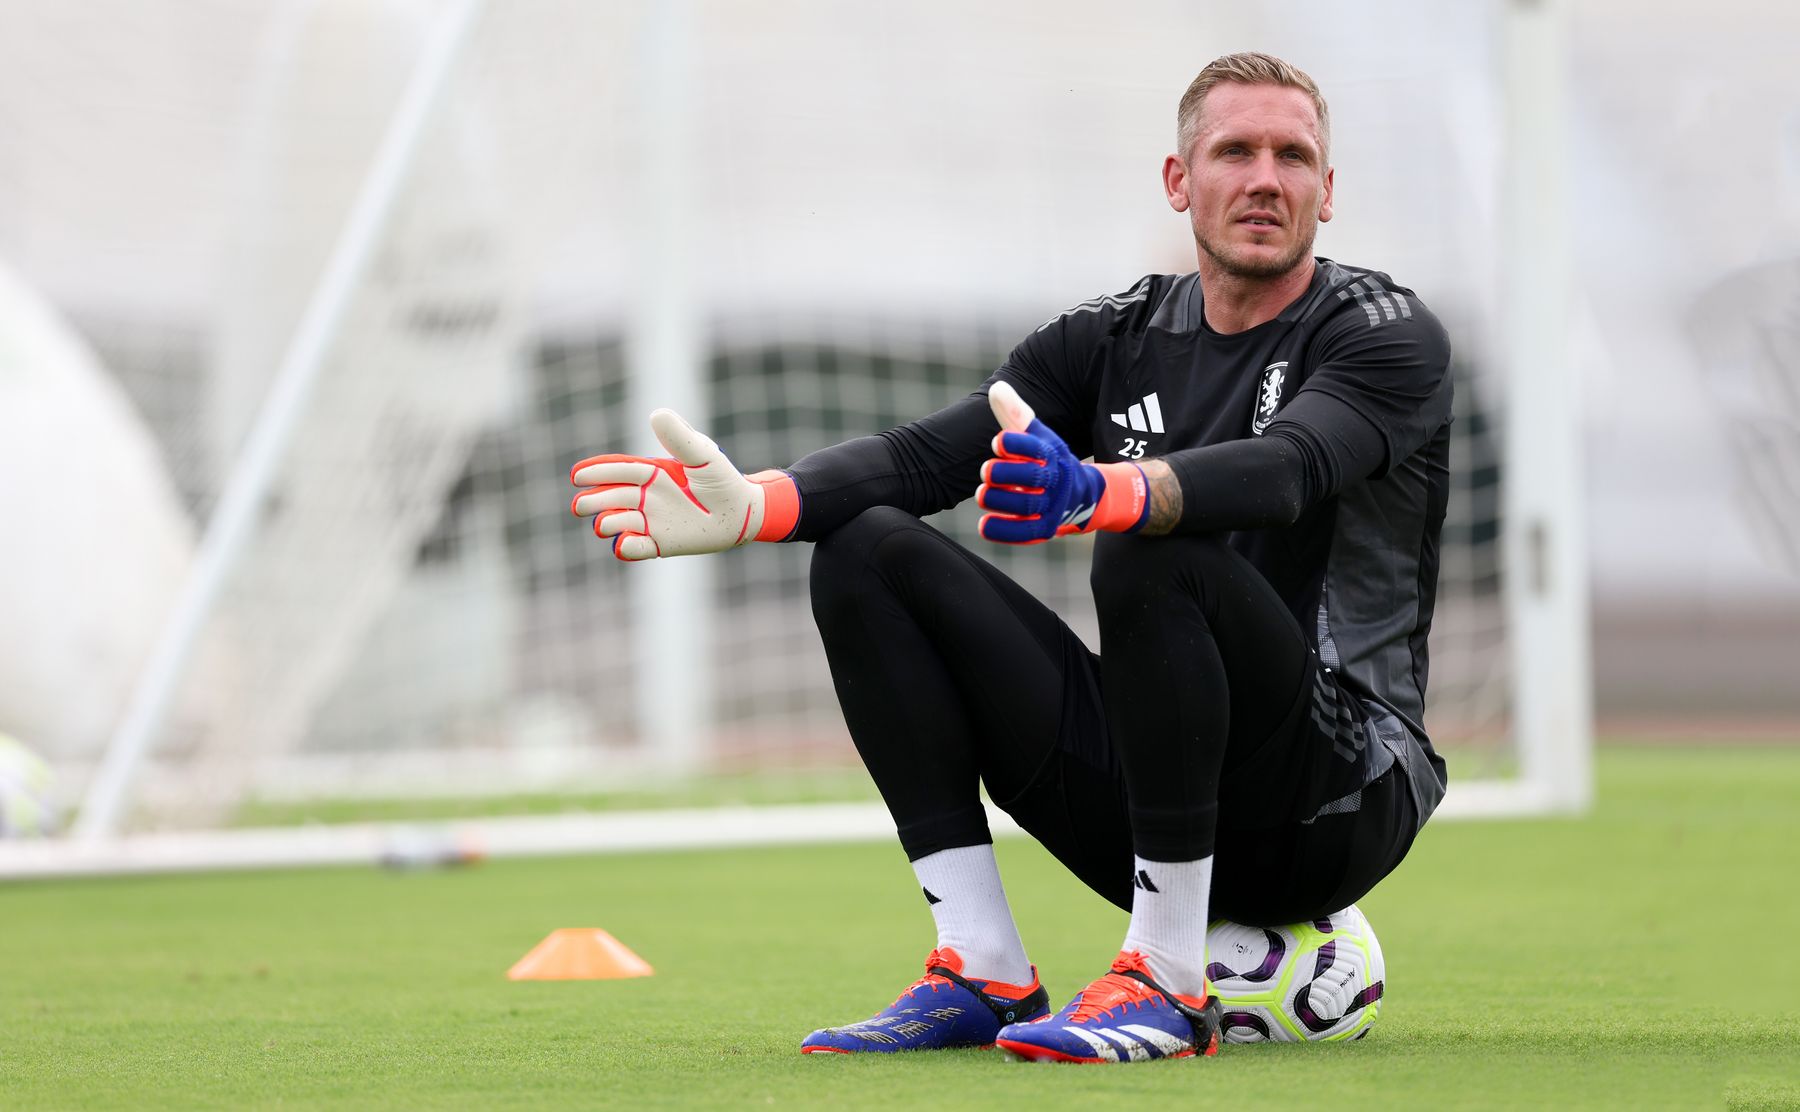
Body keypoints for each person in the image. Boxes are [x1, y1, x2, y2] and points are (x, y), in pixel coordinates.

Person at [571, 51, 1452, 1064]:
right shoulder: (1111, 336)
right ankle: (979, 961)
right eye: (1235, 151)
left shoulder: (1384, 330)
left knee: (1150, 545)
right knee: (864, 551)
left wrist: (1107, 489)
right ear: (1180, 181)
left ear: (1327, 191)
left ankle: (1164, 979)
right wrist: (758, 504)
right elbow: (927, 456)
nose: (1265, 177)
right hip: (1167, 783)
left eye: (1293, 156)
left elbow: (1293, 468)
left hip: (1337, 789)